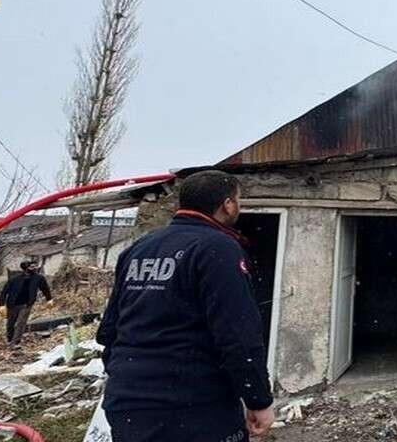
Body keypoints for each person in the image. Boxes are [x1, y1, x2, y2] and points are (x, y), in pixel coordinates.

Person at [97, 170, 274, 441]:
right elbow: (238, 333)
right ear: (228, 204)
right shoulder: (218, 248)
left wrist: (129, 378)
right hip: (193, 406)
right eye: (239, 199)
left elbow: (109, 330)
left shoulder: (139, 249)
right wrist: (258, 400)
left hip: (128, 403)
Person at [0, 260, 52, 345]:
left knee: (21, 323)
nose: (34, 268)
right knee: (10, 323)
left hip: (26, 304)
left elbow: (45, 288)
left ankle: (16, 342)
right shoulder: (15, 279)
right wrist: (1, 304)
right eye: (31, 267)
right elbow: (4, 291)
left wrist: (49, 299)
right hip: (12, 304)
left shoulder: (39, 278)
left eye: (35, 266)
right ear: (25, 268)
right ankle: (10, 339)